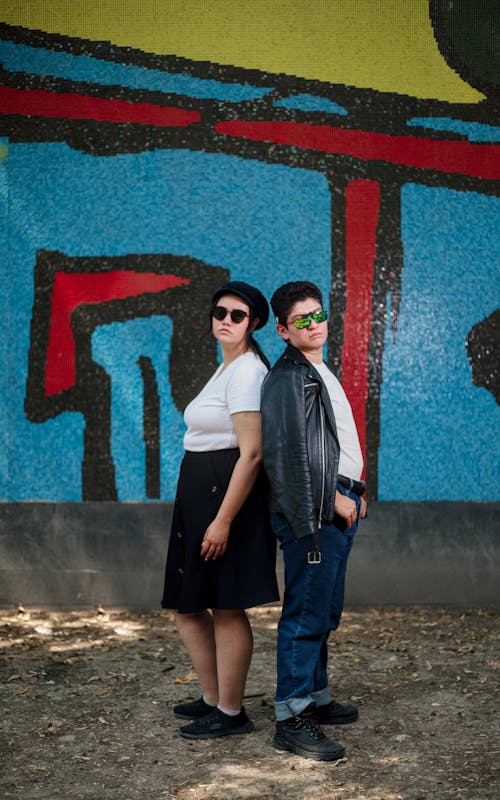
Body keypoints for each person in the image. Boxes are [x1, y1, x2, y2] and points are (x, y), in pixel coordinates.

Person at [162, 280, 279, 740]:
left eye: (237, 315)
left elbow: (251, 454)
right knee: (189, 606)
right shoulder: (226, 368)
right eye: (220, 312)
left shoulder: (248, 371)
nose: (225, 321)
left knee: (227, 607)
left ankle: (231, 711)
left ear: (254, 324)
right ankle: (213, 700)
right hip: (199, 497)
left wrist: (223, 520)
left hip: (225, 501)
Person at [261, 280, 368, 762]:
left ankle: (315, 697)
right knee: (304, 614)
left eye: (318, 314)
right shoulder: (288, 377)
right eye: (301, 319)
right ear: (283, 330)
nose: (314, 323)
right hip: (315, 512)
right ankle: (292, 718)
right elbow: (286, 459)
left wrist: (354, 490)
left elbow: (332, 443)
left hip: (338, 502)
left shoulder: (316, 368)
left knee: (322, 610)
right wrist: (329, 502)